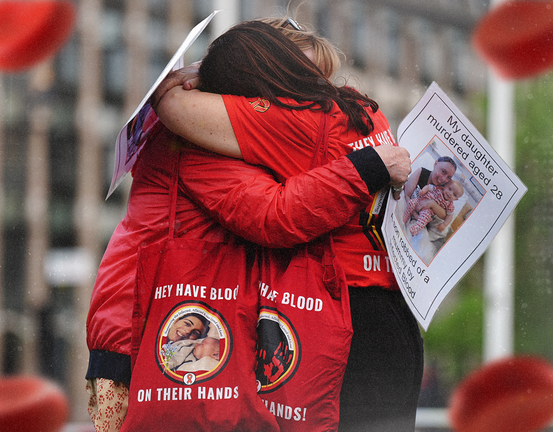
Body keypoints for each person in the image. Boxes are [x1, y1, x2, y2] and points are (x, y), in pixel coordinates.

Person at [85, 18, 412, 432]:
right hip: (143, 339)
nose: (308, 102)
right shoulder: (196, 141)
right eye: (294, 86)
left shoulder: (216, 131)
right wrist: (366, 166)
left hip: (166, 327)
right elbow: (273, 215)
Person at [402, 156, 458, 221]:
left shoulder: (445, 190)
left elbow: (445, 216)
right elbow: (407, 195)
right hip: (408, 210)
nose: (444, 179)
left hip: (423, 220)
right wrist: (416, 216)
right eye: (443, 171)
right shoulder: (421, 172)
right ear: (436, 164)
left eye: (448, 177)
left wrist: (432, 204)